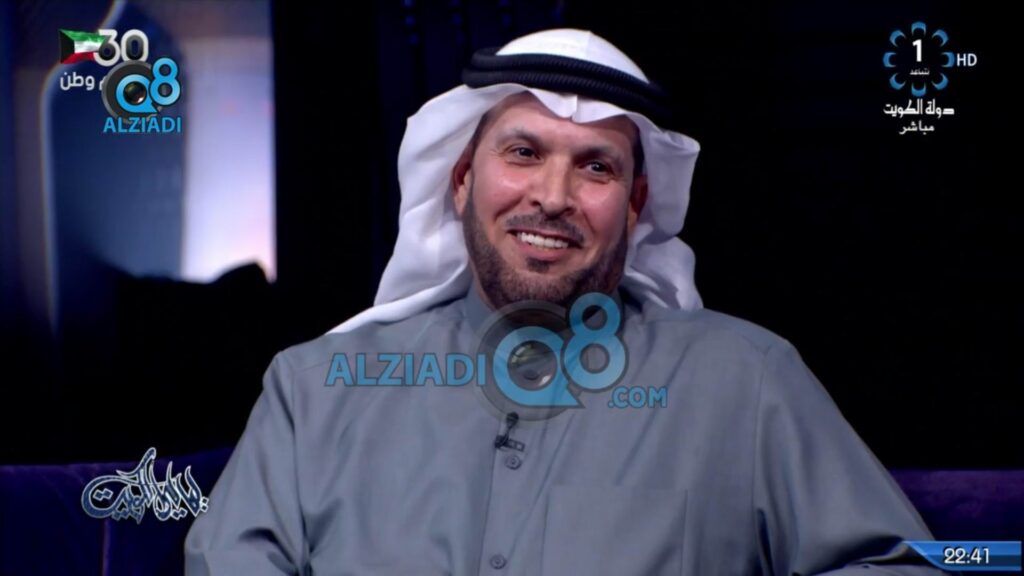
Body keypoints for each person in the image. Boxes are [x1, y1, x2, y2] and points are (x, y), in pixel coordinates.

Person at [185, 29, 941, 575]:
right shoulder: (315, 392)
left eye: (596, 168)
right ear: (461, 182)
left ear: (636, 205)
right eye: (523, 153)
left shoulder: (745, 381)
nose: (552, 196)